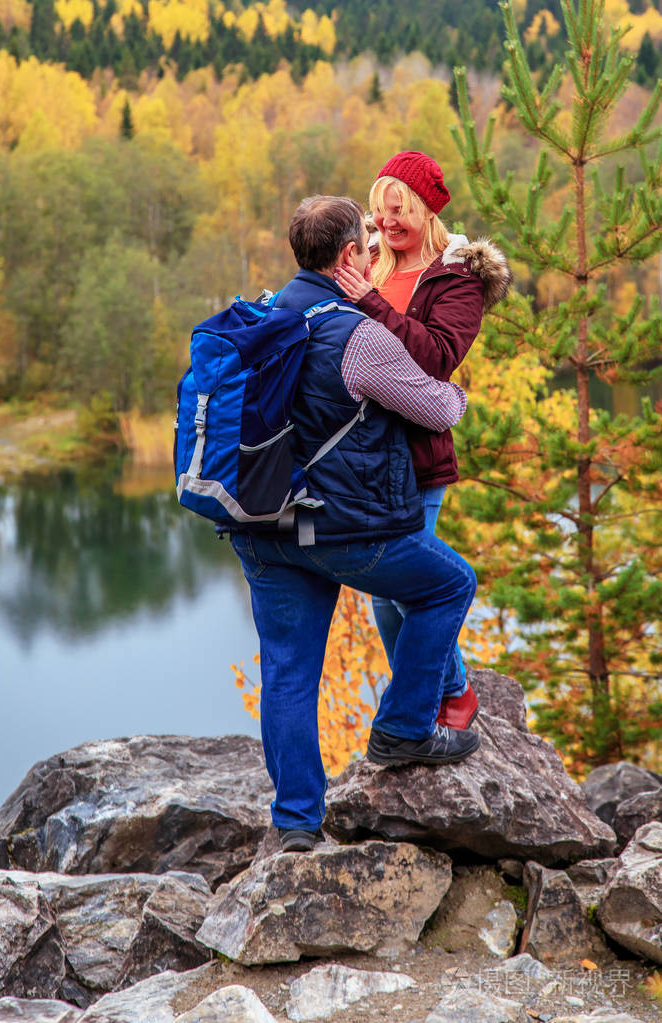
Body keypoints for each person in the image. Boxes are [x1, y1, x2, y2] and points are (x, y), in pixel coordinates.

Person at [229, 194, 480, 854]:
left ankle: (295, 826)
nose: (376, 248)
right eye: (367, 241)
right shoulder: (358, 335)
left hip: (263, 529)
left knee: (286, 674)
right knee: (448, 584)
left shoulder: (260, 316)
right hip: (344, 533)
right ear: (347, 257)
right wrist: (456, 392)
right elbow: (438, 409)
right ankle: (404, 726)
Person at [334, 151, 511, 732]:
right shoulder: (371, 265)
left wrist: (370, 302)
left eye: (398, 210)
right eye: (379, 210)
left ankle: (443, 695)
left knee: (407, 590)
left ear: (425, 211)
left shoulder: (456, 279)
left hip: (415, 459)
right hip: (361, 460)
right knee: (386, 595)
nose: (385, 222)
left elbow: (436, 358)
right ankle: (442, 690)